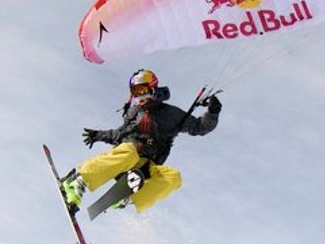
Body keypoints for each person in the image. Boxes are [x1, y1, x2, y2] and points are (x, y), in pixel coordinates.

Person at [61, 69, 222, 214]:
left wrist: (212, 112)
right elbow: (120, 134)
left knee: (174, 177)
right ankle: (78, 180)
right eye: (135, 91)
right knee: (130, 153)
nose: (139, 95)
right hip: (125, 158)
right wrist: (99, 135)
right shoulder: (135, 112)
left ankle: (127, 198)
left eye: (142, 89)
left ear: (153, 88)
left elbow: (199, 127)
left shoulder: (170, 114)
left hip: (144, 166)